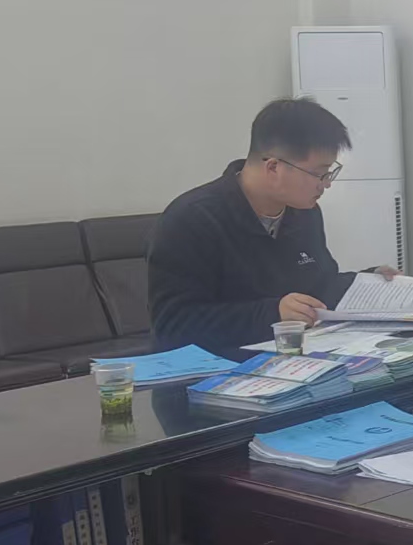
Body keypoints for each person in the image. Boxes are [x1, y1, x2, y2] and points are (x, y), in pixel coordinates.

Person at [149, 98, 390, 355]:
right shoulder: (193, 219)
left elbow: (318, 287)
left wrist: (368, 281)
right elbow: (173, 326)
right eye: (319, 173)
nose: (326, 183)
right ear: (274, 167)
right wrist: (273, 314)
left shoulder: (304, 213)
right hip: (218, 370)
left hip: (293, 360)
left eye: (330, 172)